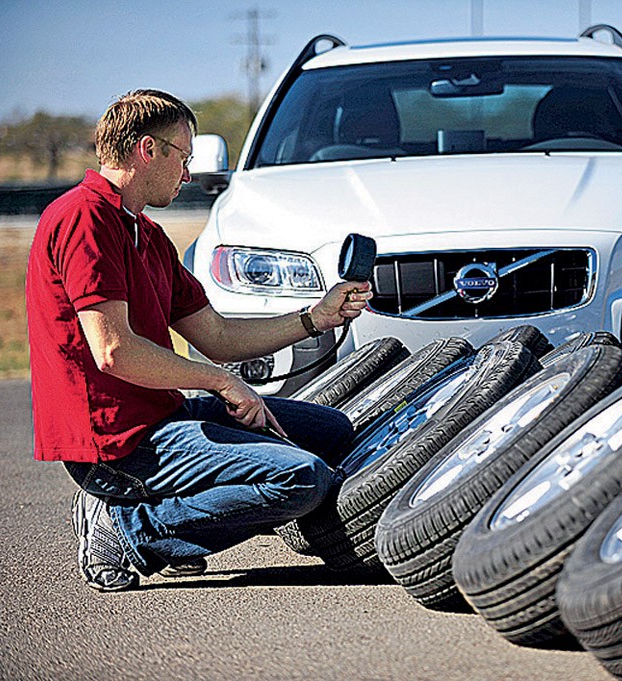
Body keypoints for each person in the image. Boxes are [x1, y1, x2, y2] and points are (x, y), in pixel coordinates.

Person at [26, 89, 372, 592]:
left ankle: (153, 516)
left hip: (161, 417)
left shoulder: (147, 233)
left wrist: (315, 318)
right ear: (149, 150)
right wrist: (225, 385)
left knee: (332, 431)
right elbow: (113, 350)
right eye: (183, 157)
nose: (187, 173)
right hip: (118, 445)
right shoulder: (83, 218)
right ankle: (129, 529)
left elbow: (218, 336)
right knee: (303, 478)